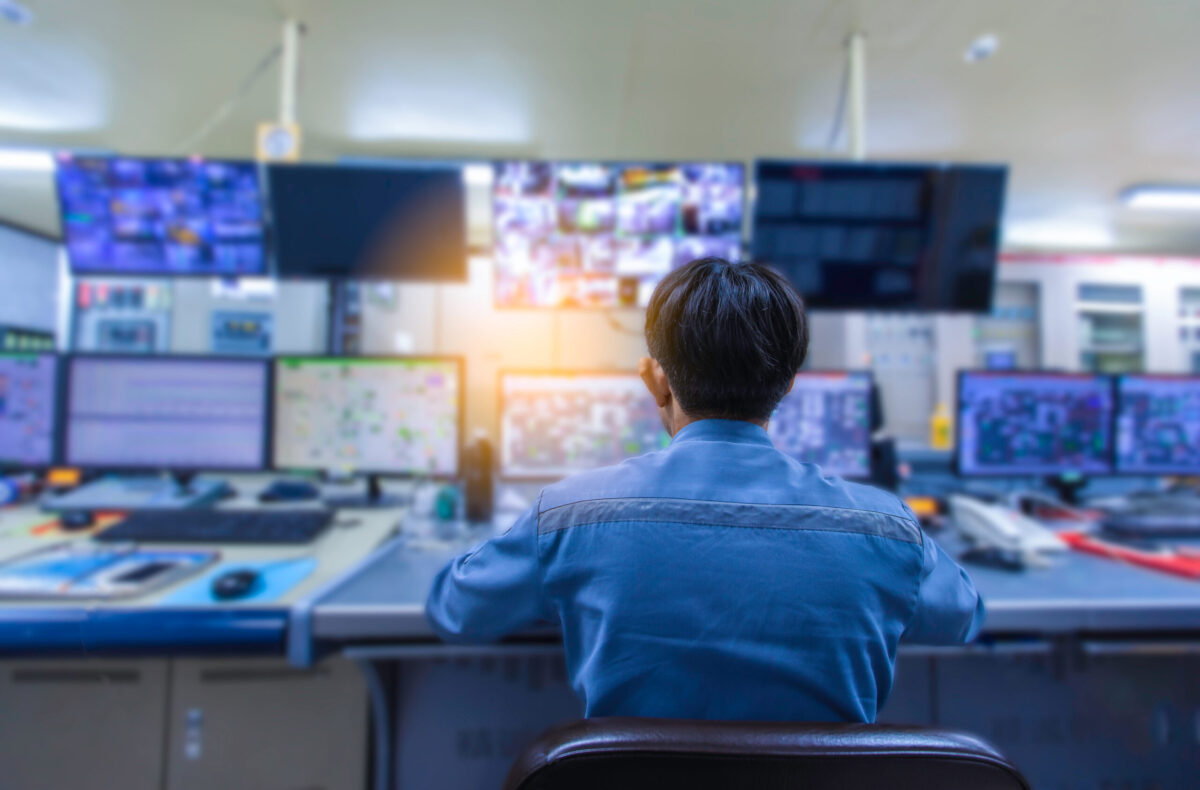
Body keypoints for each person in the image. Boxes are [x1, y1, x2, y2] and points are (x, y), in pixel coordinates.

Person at [426, 257, 984, 722]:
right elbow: (964, 618)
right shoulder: (887, 528)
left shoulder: (571, 517)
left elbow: (456, 611)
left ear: (656, 378)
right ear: (789, 383)